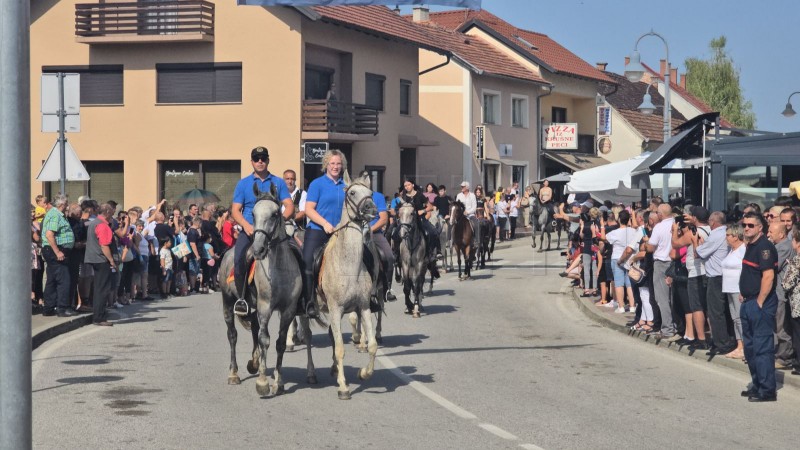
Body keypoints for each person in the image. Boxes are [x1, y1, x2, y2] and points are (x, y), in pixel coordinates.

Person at [230, 146, 294, 314]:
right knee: (238, 260)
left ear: (268, 161)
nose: (260, 161)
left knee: (298, 255)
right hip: (251, 230)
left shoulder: (278, 182)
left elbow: (289, 206)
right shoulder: (243, 184)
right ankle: (242, 299)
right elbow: (235, 210)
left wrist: (281, 221)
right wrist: (246, 225)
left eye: (263, 158)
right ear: (251, 161)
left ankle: (299, 298)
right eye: (256, 159)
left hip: (274, 233)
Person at [304, 149, 349, 319]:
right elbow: (308, 209)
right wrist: (325, 224)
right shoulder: (317, 184)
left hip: (342, 233)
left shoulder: (347, 186)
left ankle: (366, 296)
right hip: (318, 230)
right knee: (308, 261)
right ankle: (308, 302)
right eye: (332, 163)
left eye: (338, 163)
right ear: (326, 165)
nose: (335, 166)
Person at [739, 212, 779, 402]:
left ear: (760, 228)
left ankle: (767, 390)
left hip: (759, 303)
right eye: (744, 224)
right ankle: (757, 384)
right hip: (748, 301)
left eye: (751, 225)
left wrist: (760, 301)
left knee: (762, 348)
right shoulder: (751, 245)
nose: (746, 228)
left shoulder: (764, 247)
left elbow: (768, 276)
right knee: (750, 348)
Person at [695, 210, 732, 352]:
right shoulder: (724, 233)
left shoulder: (717, 234)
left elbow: (699, 253)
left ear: (713, 222)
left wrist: (695, 242)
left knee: (715, 311)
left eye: (710, 222)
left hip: (716, 276)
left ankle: (721, 343)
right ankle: (725, 339)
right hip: (722, 275)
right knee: (723, 311)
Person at [644, 203, 680, 341]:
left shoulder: (659, 227)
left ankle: (668, 329)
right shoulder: (676, 224)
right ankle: (674, 325)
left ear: (660, 214)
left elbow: (651, 248)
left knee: (662, 298)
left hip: (661, 262)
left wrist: (646, 242)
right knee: (672, 297)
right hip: (675, 262)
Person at [394, 178, 442, 275]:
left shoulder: (420, 195)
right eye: (405, 186)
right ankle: (396, 255)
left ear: (412, 185)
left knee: (432, 232)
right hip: (407, 221)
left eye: (408, 185)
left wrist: (422, 211)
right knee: (395, 234)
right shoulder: (403, 197)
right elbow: (398, 209)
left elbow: (430, 207)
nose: (407, 187)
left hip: (420, 219)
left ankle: (433, 254)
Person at [41, 195, 75, 317]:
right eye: (66, 203)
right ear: (61, 204)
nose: (67, 205)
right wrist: (57, 252)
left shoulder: (57, 214)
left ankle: (48, 308)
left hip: (54, 250)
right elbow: (50, 234)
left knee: (52, 279)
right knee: (63, 279)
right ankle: (62, 308)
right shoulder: (55, 215)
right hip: (55, 250)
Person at [767, 221, 796, 369]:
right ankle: (778, 354)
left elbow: (771, 265)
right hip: (775, 293)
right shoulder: (777, 246)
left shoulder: (783, 247)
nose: (768, 234)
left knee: (781, 327)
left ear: (781, 234)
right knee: (776, 325)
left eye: (771, 232)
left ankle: (784, 358)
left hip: (781, 293)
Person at [84, 203, 117, 326]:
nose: (113, 214)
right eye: (112, 212)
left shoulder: (95, 222)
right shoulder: (102, 225)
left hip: (94, 258)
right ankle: (99, 317)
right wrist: (112, 261)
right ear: (107, 212)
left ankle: (99, 315)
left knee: (99, 288)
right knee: (102, 289)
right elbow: (104, 245)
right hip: (101, 259)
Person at [722, 223, 746, 359]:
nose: (726, 238)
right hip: (729, 288)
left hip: (738, 289)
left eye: (728, 235)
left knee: (740, 318)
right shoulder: (731, 250)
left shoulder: (743, 250)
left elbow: (744, 271)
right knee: (735, 318)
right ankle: (739, 345)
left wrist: (743, 289)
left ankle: (744, 346)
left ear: (736, 236)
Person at [780, 225, 800, 374]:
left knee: (798, 334)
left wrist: (788, 268)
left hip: (797, 305)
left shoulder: (795, 261)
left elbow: (787, 284)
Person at [284, 169, 307, 243]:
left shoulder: (302, 194)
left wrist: (289, 219)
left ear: (295, 180)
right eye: (287, 179)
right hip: (279, 228)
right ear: (283, 180)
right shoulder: (278, 193)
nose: (290, 182)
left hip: (297, 229)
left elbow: (303, 212)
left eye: (292, 179)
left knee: (301, 250)